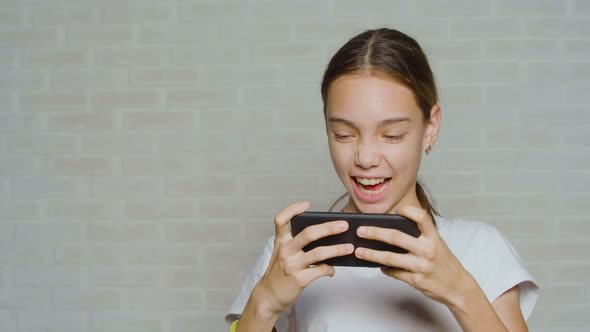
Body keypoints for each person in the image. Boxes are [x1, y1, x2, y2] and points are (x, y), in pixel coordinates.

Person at [224, 28, 538, 332]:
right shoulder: (291, 254)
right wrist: (264, 302)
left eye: (391, 135)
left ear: (430, 128)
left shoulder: (480, 249)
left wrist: (459, 290)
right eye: (343, 134)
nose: (366, 157)